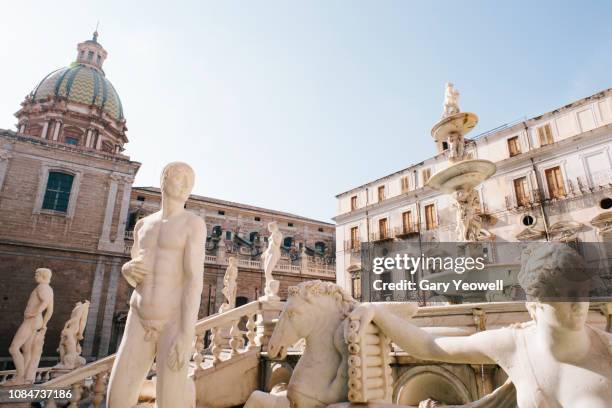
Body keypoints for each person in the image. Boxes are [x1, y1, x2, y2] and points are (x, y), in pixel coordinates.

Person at [349, 243, 612, 407]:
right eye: (564, 295)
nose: (580, 304)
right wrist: (376, 312)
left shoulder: (607, 350)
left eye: (583, 293)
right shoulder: (516, 344)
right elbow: (429, 345)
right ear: (535, 302)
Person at [106, 162, 205, 408]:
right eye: (179, 178)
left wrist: (186, 334)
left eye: (189, 183)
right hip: (138, 316)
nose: (184, 186)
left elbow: (194, 281)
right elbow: (136, 270)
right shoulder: (142, 225)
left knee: (169, 402)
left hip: (172, 320)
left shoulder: (193, 224)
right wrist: (126, 269)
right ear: (163, 180)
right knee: (116, 398)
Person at [5, 268, 53, 386]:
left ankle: (19, 378)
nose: (35, 276)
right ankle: (24, 377)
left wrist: (35, 313)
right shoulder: (48, 289)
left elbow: (46, 302)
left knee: (13, 348)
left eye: (37, 274)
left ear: (43, 275)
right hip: (36, 321)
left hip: (31, 320)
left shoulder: (42, 287)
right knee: (27, 351)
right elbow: (50, 310)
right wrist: (44, 323)